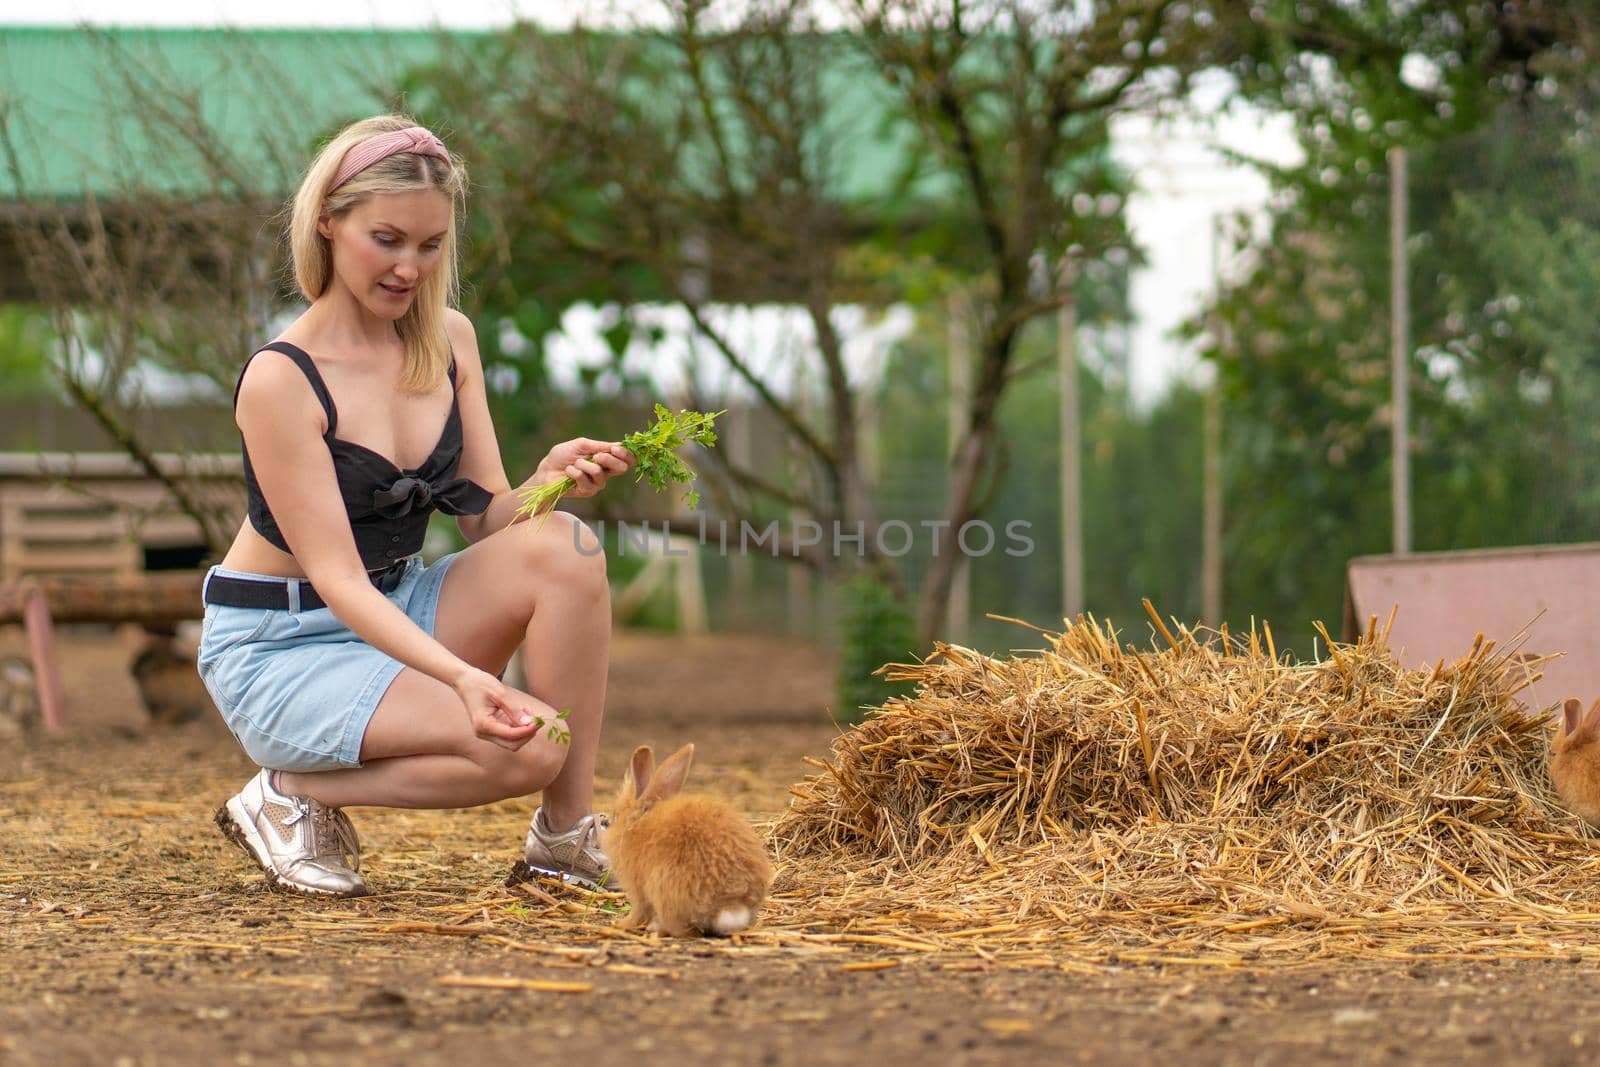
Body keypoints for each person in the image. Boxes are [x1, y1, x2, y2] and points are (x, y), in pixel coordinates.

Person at [199, 114, 634, 897]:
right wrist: (466, 680)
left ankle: (563, 839)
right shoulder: (281, 379)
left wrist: (551, 480)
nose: (410, 267)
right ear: (328, 222)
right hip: (282, 645)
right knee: (533, 745)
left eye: (431, 247)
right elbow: (340, 581)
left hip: (397, 601)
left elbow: (488, 518)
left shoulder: (449, 340)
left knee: (565, 546)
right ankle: (289, 792)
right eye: (388, 239)